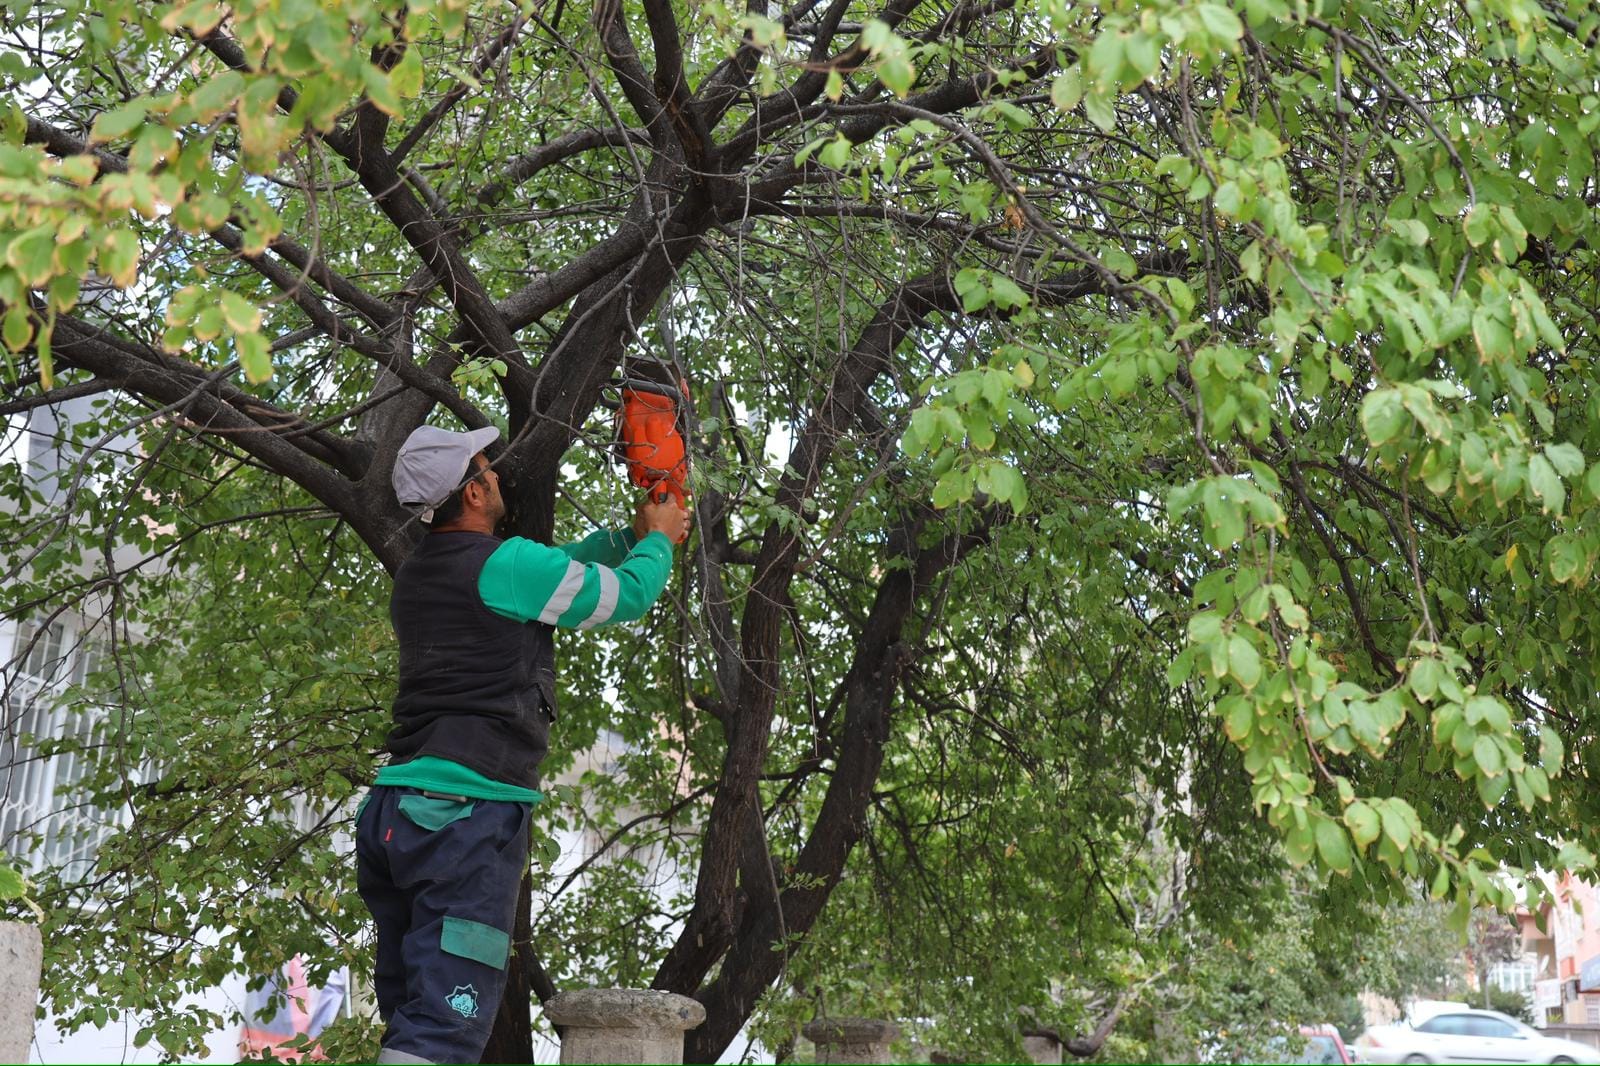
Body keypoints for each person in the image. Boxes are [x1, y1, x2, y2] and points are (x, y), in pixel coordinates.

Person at [356, 424, 689, 1065]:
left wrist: (636, 532)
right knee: (443, 1029)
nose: (500, 475)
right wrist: (657, 545)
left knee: (410, 1017)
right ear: (474, 491)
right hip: (464, 817)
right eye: (488, 468)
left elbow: (561, 569)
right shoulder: (504, 568)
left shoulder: (422, 575)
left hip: (397, 816)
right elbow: (625, 594)